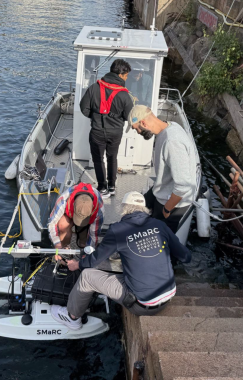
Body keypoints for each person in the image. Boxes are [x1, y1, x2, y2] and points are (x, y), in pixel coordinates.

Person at [50, 191, 191, 329]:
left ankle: (72, 317)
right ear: (144, 208)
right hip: (169, 294)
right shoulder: (160, 225)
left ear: (124, 208)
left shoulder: (118, 230)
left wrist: (78, 264)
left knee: (87, 276)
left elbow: (95, 260)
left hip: (143, 305)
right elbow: (186, 256)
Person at [127, 105, 197, 233]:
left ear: (143, 123)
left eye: (137, 129)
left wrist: (167, 209)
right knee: (137, 209)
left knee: (157, 238)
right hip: (161, 190)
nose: (138, 133)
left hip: (173, 203)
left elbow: (183, 186)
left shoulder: (172, 141)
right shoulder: (171, 126)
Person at [79, 59, 134, 199]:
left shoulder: (93, 88)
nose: (126, 78)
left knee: (98, 159)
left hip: (97, 131)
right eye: (126, 75)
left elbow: (83, 108)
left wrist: (96, 117)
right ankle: (112, 186)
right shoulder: (124, 95)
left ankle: (102, 187)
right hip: (116, 132)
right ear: (121, 75)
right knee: (112, 157)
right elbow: (129, 116)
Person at [47, 182, 103, 257]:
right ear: (73, 204)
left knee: (84, 244)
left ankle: (82, 244)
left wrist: (89, 250)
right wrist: (57, 244)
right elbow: (52, 224)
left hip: (88, 221)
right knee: (63, 225)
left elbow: (94, 234)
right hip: (69, 215)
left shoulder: (99, 209)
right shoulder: (63, 200)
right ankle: (65, 248)